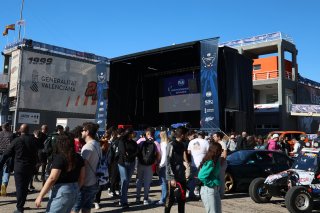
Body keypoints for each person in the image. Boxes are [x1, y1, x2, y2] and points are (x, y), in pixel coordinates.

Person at [35, 135, 85, 212]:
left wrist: (40, 195)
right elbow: (82, 178)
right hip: (74, 188)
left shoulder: (60, 158)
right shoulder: (78, 157)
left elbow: (52, 178)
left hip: (62, 190)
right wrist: (76, 188)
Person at [0, 124, 37, 213]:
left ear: (20, 130)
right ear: (28, 130)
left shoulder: (17, 140)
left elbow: (7, 153)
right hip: (30, 167)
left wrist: (1, 164)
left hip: (20, 167)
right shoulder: (33, 140)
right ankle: (21, 205)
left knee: (20, 187)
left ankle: (19, 208)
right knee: (24, 187)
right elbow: (38, 152)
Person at [72, 122, 101, 213]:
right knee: (87, 208)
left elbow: (81, 167)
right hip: (94, 182)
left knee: (75, 209)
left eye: (82, 130)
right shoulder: (97, 144)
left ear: (87, 132)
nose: (81, 132)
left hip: (84, 183)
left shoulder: (87, 147)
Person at [165, 126, 189, 213]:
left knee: (182, 198)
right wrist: (172, 178)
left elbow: (181, 160)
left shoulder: (182, 145)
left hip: (181, 175)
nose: (187, 136)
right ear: (182, 135)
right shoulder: (171, 145)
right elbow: (168, 162)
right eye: (186, 134)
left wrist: (185, 167)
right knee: (170, 198)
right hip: (173, 177)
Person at [135, 127, 160, 205]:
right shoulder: (155, 143)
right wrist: (155, 161)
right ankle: (145, 199)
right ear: (153, 133)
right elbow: (158, 154)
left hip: (140, 163)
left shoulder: (140, 141)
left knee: (139, 180)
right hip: (150, 165)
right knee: (147, 182)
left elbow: (135, 150)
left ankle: (137, 198)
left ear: (146, 133)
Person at [198, 142, 223, 213]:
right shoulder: (210, 162)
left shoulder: (215, 161)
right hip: (208, 190)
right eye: (221, 150)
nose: (222, 152)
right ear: (216, 151)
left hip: (214, 190)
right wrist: (211, 183)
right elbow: (201, 176)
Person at [117, 128, 138, 209]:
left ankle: (122, 199)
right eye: (133, 132)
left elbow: (137, 151)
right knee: (125, 180)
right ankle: (124, 201)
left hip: (131, 163)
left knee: (126, 182)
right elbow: (123, 153)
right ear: (129, 133)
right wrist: (130, 154)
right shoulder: (122, 141)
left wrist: (130, 154)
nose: (134, 134)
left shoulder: (133, 142)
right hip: (122, 163)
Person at [187, 131, 209, 198]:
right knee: (202, 179)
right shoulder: (206, 142)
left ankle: (191, 194)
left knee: (193, 179)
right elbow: (208, 152)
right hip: (202, 164)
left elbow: (188, 152)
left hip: (194, 163)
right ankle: (201, 194)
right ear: (203, 136)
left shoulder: (191, 142)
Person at [93, 130, 110, 210]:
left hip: (102, 172)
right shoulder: (96, 150)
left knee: (99, 187)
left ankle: (97, 201)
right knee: (93, 187)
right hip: (94, 170)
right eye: (102, 144)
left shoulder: (107, 152)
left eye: (105, 144)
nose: (104, 146)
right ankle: (93, 200)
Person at [0, 122, 13, 196]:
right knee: (6, 172)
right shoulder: (11, 135)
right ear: (8, 127)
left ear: (2, 127)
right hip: (8, 156)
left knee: (0, 172)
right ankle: (3, 188)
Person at [212, 132, 227, 198]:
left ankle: (221, 193)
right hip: (217, 163)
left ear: (219, 137)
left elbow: (225, 154)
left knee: (221, 178)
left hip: (221, 163)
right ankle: (218, 192)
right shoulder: (216, 144)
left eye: (215, 136)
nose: (213, 137)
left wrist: (221, 163)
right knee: (217, 178)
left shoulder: (222, 144)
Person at [157, 130, 169, 205]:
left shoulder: (163, 144)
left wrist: (160, 165)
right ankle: (166, 197)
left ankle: (163, 199)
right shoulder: (168, 143)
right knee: (166, 182)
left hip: (164, 165)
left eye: (161, 134)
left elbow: (164, 156)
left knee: (163, 182)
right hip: (167, 165)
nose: (159, 135)